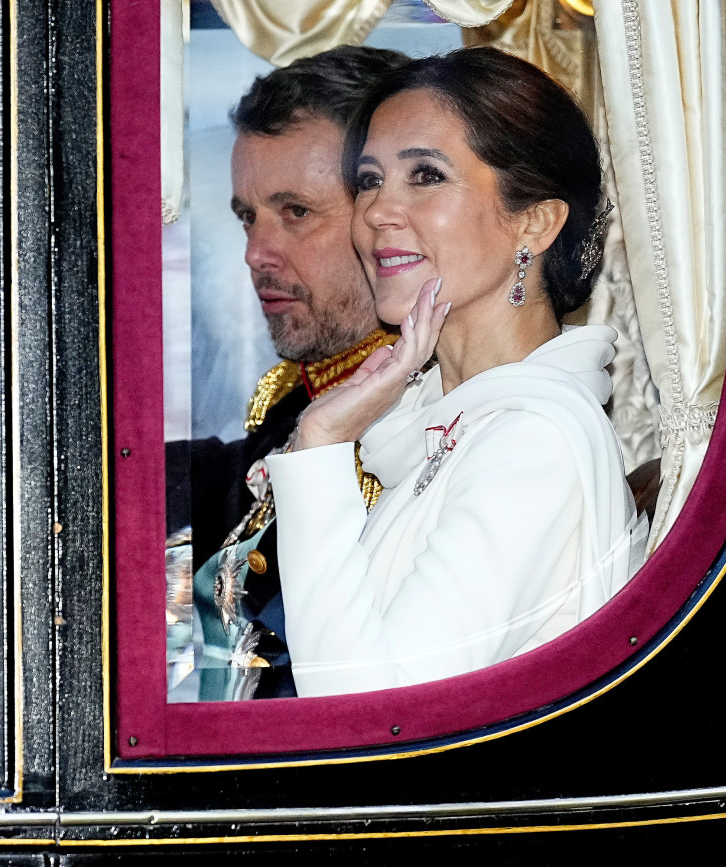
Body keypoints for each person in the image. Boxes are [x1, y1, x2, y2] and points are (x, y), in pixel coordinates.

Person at [264, 47, 649, 698]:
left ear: (535, 221)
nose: (378, 211)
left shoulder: (533, 443)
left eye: (425, 176)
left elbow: (368, 717)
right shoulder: (445, 426)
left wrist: (322, 442)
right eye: (368, 179)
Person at [166, 46, 409, 701]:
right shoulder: (299, 397)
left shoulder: (436, 420)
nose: (255, 254)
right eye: (248, 217)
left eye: (295, 212)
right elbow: (221, 484)